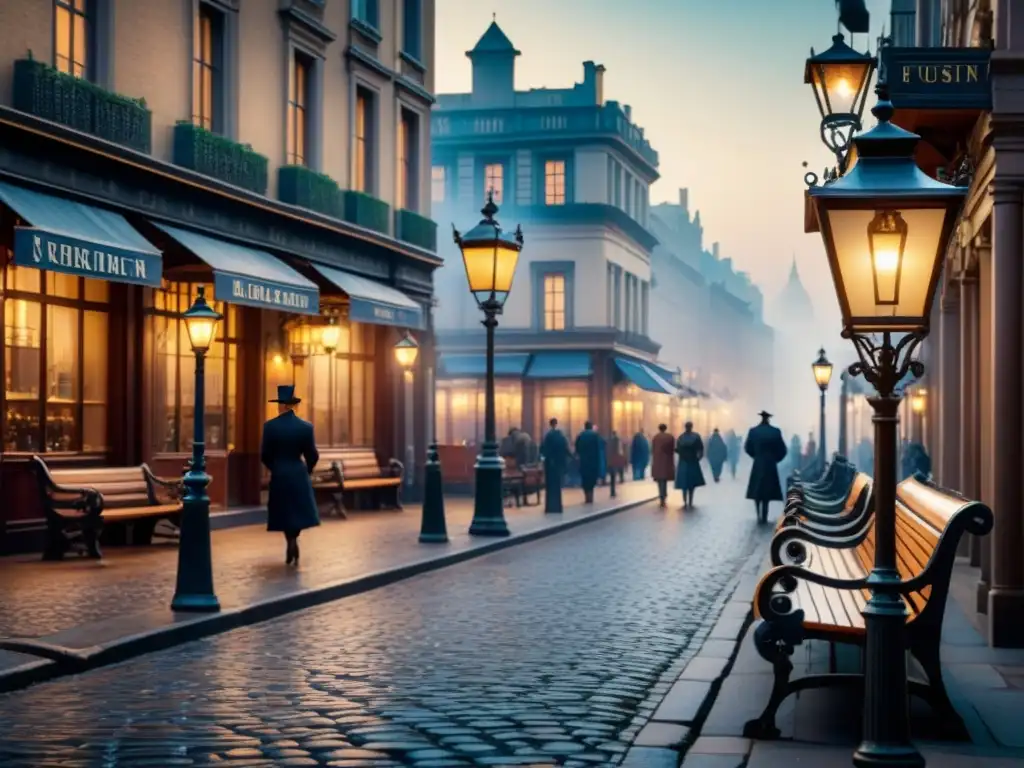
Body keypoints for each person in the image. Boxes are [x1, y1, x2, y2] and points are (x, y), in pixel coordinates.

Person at [261, 384, 320, 566]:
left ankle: (290, 541)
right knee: (298, 510)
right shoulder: (305, 427)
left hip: (280, 473)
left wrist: (275, 467)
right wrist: (307, 470)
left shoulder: (270, 427)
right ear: (292, 405)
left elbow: (264, 455)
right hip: (298, 471)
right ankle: (295, 538)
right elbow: (313, 454)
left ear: (283, 405)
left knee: (285, 511)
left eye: (279, 404)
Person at [745, 411, 788, 524]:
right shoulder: (775, 432)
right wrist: (776, 459)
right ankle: (764, 513)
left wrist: (755, 456)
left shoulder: (753, 431)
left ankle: (758, 512)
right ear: (769, 419)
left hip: (758, 462)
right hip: (770, 463)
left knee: (756, 489)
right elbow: (783, 450)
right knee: (767, 489)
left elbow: (747, 448)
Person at [540, 417, 570, 513]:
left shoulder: (548, 436)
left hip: (550, 464)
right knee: (557, 485)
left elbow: (544, 449)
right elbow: (565, 448)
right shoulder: (561, 436)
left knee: (550, 486)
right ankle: (557, 506)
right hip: (559, 463)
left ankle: (550, 507)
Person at [675, 422, 706, 510]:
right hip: (693, 461)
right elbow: (700, 448)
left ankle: (684, 500)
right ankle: (690, 500)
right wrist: (698, 458)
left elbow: (677, 449)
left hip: (683, 462)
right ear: (691, 427)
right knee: (692, 483)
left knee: (684, 482)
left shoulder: (681, 437)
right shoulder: (696, 437)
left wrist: (682, 454)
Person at [575, 422, 602, 503]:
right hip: (593, 461)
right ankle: (590, 496)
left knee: (585, 479)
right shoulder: (595, 436)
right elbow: (599, 449)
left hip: (584, 461)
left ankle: (587, 497)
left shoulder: (580, 436)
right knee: (592, 479)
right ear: (591, 427)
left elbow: (577, 448)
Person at [650, 423, 676, 508]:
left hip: (658, 461)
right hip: (667, 461)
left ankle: (661, 495)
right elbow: (672, 449)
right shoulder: (670, 437)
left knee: (659, 480)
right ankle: (663, 495)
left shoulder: (655, 437)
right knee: (664, 480)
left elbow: (652, 449)